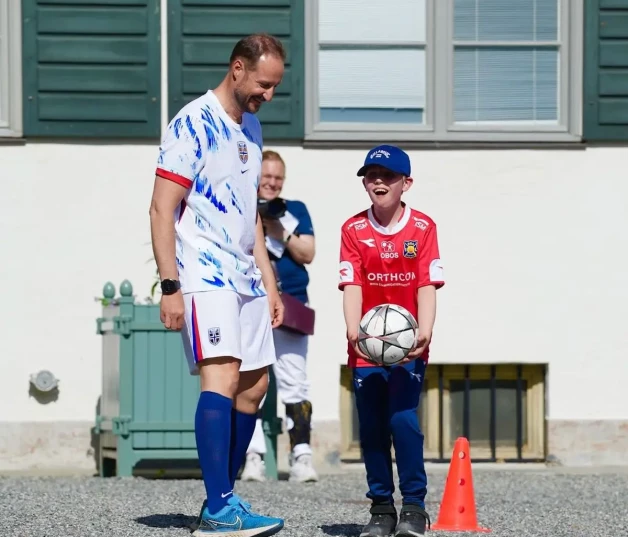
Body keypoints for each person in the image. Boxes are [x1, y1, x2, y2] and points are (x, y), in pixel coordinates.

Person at [149, 33, 287, 537]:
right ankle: (220, 504)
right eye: (263, 84)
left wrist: (269, 282)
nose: (267, 95)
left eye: (274, 87)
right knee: (223, 379)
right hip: (204, 272)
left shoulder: (251, 124)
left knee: (254, 388)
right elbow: (162, 206)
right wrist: (170, 285)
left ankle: (222, 503)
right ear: (237, 68)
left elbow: (250, 212)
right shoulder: (192, 123)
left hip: (245, 274)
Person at [338, 145, 445, 537]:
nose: (378, 181)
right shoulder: (353, 229)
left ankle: (414, 507)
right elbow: (350, 283)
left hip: (407, 348)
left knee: (403, 422)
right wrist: (353, 330)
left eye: (387, 175)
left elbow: (426, 284)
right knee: (370, 428)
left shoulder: (423, 228)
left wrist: (425, 329)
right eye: (371, 175)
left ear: (406, 183)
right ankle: (381, 508)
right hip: (366, 346)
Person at [240, 150, 319, 483]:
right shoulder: (242, 204)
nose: (271, 183)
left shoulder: (294, 211)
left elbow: (308, 253)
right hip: (253, 304)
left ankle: (301, 456)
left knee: (294, 382)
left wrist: (279, 230)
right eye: (266, 176)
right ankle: (252, 456)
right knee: (250, 381)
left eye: (277, 178)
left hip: (292, 305)